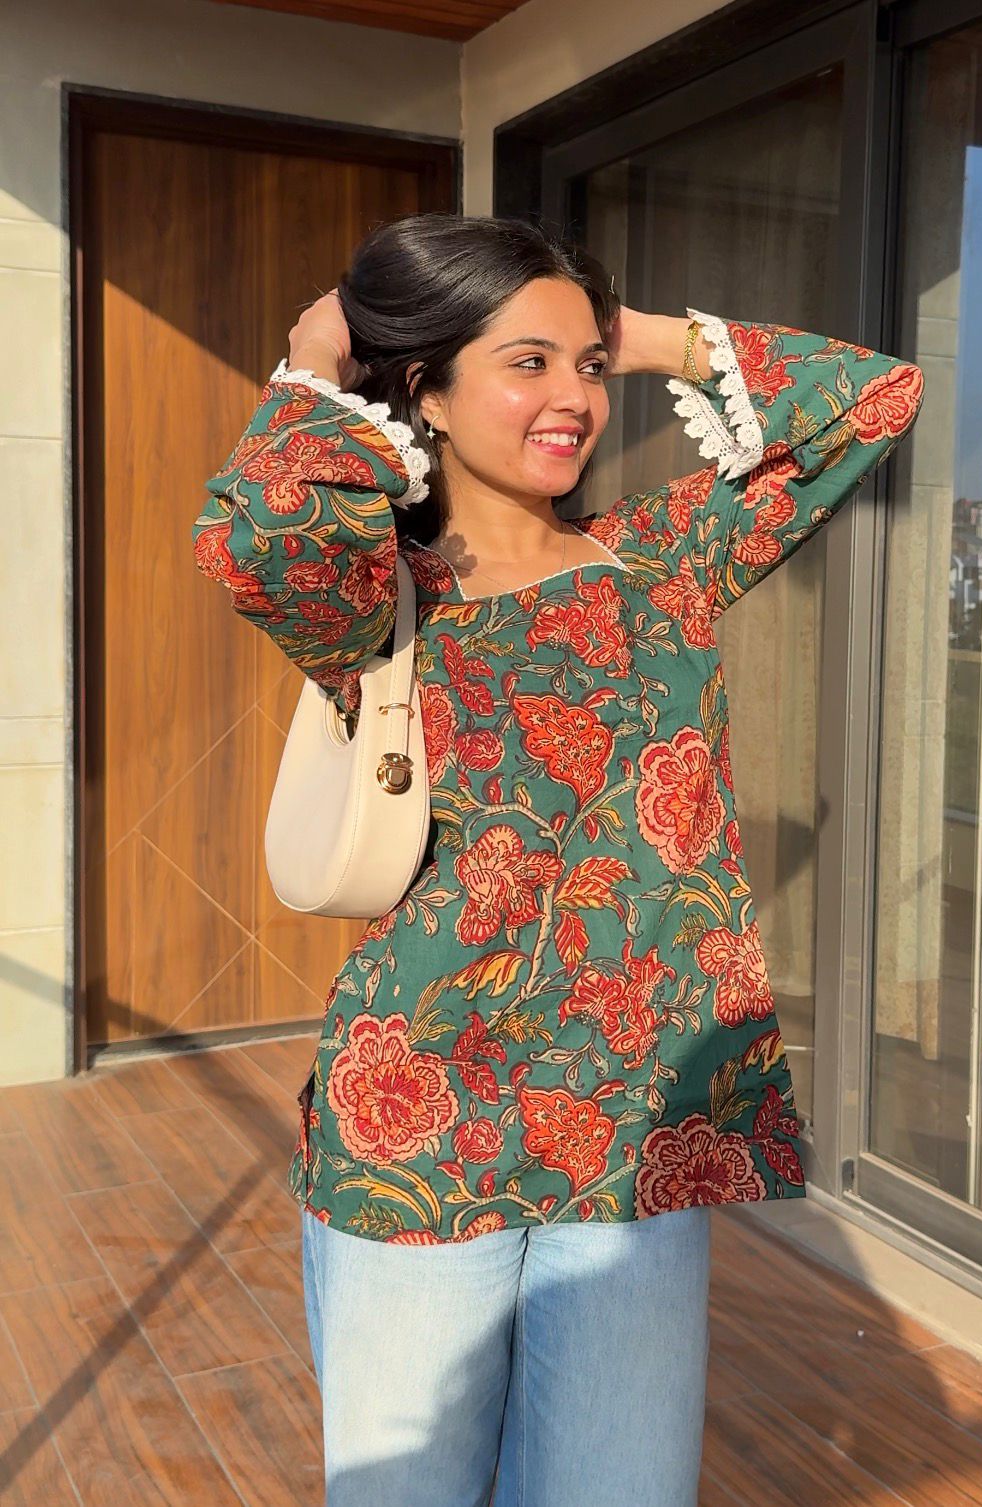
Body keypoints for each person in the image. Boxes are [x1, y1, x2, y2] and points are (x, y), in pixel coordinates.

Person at [192, 212, 925, 1507]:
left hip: (635, 1135)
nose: (573, 397)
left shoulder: (659, 565)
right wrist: (318, 362)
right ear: (421, 381)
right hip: (423, 1128)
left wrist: (626, 330)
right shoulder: (378, 597)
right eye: (523, 363)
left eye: (584, 368)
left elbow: (870, 398)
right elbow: (256, 537)